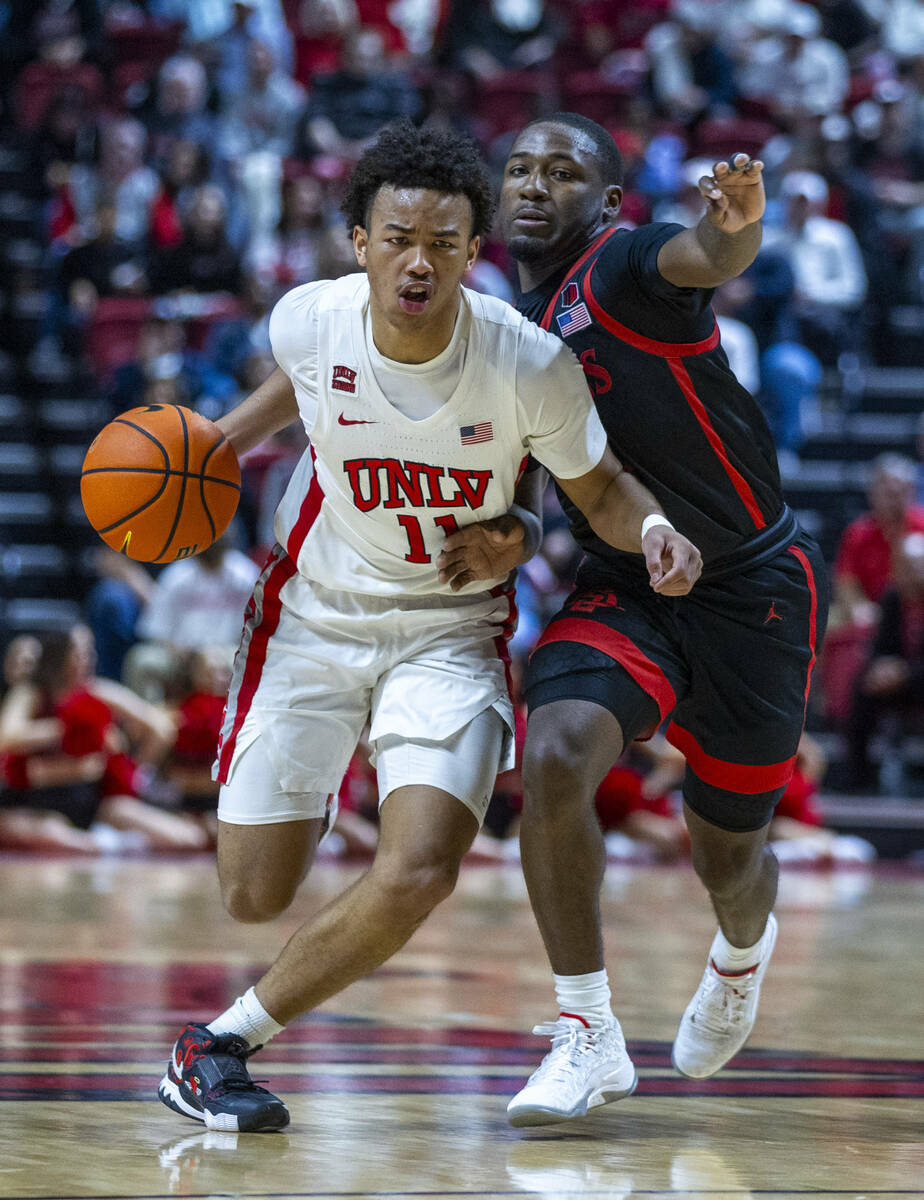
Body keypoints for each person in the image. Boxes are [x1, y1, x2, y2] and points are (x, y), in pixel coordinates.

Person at [156, 120, 701, 1134]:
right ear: (359, 242)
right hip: (311, 619)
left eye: (444, 244)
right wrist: (194, 458)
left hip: (448, 630)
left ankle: (218, 1044)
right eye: (399, 239)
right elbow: (283, 404)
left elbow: (601, 488)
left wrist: (653, 529)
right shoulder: (309, 322)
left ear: (473, 249)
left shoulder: (526, 362)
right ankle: (314, 778)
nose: (420, 262)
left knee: (420, 868)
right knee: (253, 895)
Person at [445, 112, 828, 1125]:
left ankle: (740, 954)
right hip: (628, 581)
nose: (534, 184)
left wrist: (736, 227)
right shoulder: (506, 334)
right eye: (519, 168)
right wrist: (512, 537)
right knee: (556, 750)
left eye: (561, 172)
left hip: (754, 589)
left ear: (607, 201)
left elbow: (704, 254)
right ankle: (587, 1032)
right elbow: (531, 497)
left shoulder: (621, 267)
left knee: (726, 857)